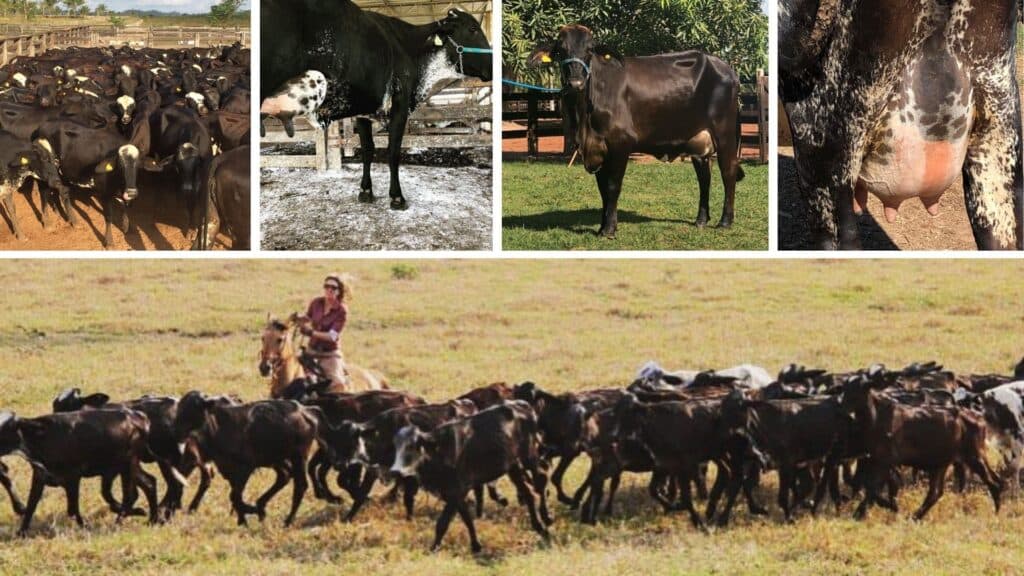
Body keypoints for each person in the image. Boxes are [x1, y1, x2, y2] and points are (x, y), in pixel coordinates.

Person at [298, 273, 350, 389]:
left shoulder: (341, 310)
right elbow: (308, 317)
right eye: (327, 286)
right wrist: (298, 319)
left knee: (337, 384)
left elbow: (332, 336)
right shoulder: (316, 302)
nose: (329, 290)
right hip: (311, 350)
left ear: (339, 291)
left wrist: (311, 333)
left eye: (333, 288)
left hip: (329, 354)